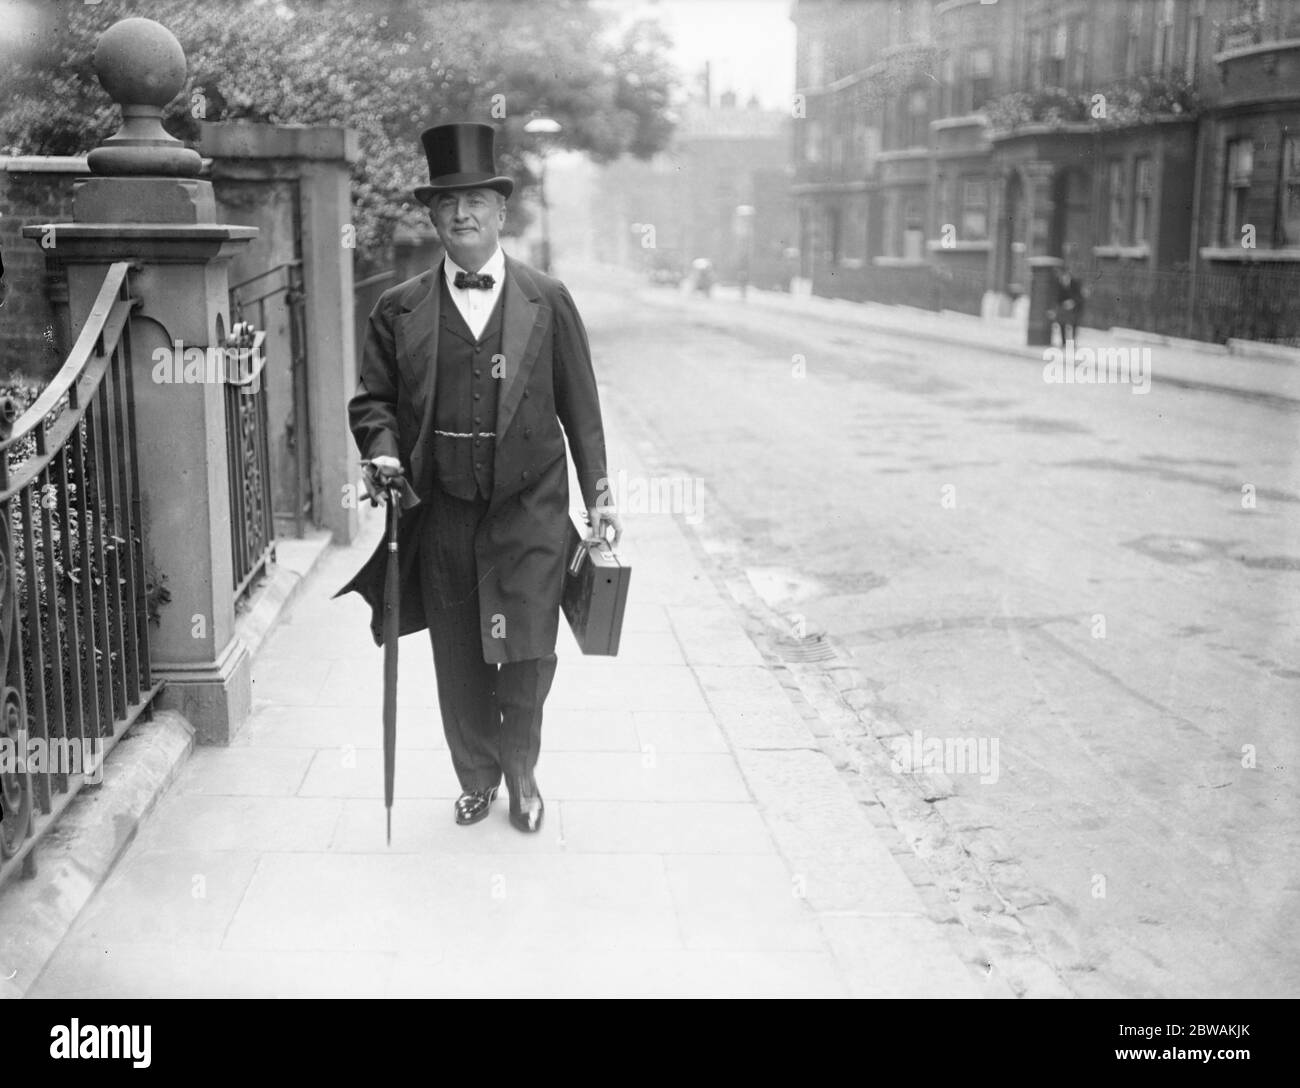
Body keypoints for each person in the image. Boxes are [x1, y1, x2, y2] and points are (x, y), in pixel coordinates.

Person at [335, 122, 621, 833]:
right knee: (459, 653)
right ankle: (476, 775)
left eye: (476, 202)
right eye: (446, 204)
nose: (462, 215)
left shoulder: (546, 298)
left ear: (500, 211)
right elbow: (372, 401)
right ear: (431, 217)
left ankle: (521, 770)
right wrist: (383, 449)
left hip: (530, 508)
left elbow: (581, 407)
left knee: (527, 651)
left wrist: (602, 500)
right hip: (446, 510)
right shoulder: (398, 309)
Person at [1051, 264, 1086, 345]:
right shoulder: (1059, 283)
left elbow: (1080, 297)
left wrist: (1072, 302)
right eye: (1062, 277)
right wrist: (1063, 303)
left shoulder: (1076, 283)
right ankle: (1063, 342)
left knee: (1074, 324)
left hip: (1075, 307)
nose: (1063, 279)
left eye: (1064, 276)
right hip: (1063, 307)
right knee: (1061, 322)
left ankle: (1072, 342)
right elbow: (1057, 297)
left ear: (1068, 275)